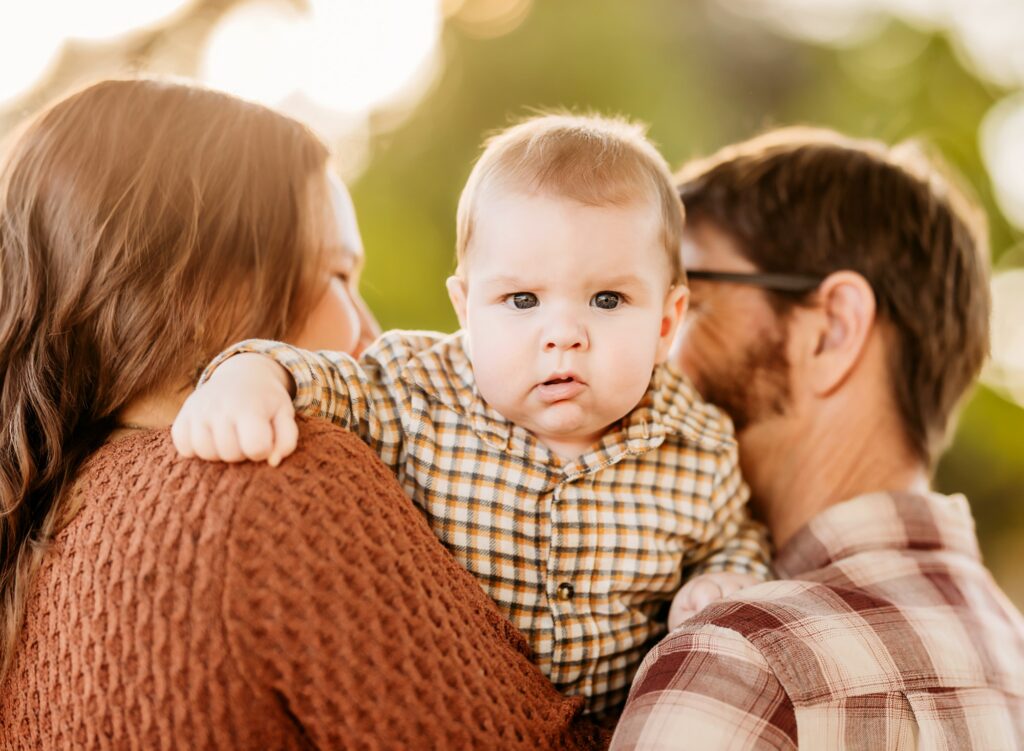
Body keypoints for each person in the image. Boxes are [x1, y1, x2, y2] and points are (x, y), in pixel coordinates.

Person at [0, 78, 606, 749]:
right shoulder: (282, 478)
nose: (372, 333)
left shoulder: (35, 537)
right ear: (208, 285)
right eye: (339, 276)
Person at [171, 113, 773, 716]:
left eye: (607, 299)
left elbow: (734, 540)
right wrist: (253, 374)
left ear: (666, 324)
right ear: (466, 310)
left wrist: (722, 581)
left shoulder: (696, 444)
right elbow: (328, 378)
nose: (563, 334)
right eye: (522, 300)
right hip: (453, 710)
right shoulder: (414, 391)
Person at [612, 127, 1024, 748]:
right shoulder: (1011, 653)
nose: (646, 356)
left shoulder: (744, 662)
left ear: (831, 329)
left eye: (689, 301)